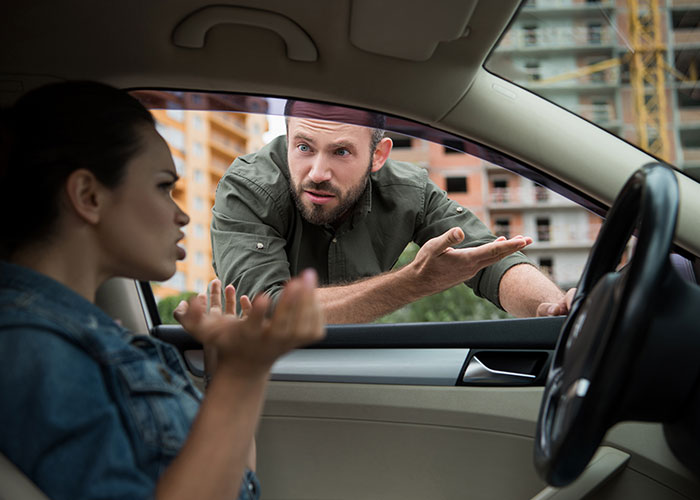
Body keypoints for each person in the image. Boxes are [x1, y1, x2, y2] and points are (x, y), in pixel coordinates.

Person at [0, 81, 325, 500]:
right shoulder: (32, 346)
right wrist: (245, 372)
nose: (183, 214)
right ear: (88, 195)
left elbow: (236, 485)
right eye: (162, 186)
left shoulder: (93, 338)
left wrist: (228, 369)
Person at [211, 101, 573, 323]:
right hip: (257, 370)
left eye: (341, 152)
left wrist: (558, 308)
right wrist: (413, 282)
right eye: (303, 147)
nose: (318, 173)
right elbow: (266, 311)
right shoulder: (249, 187)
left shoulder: (408, 191)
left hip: (355, 366)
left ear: (378, 156)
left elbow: (488, 259)